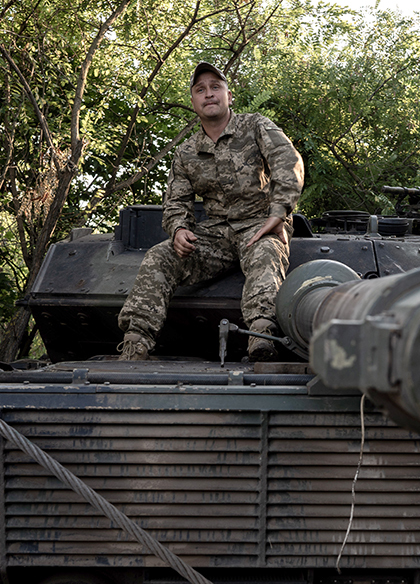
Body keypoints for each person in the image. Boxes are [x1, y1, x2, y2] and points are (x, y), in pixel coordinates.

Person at [116, 61, 305, 362]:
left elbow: (288, 162)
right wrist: (178, 229)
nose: (209, 94)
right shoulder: (186, 152)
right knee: (160, 256)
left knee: (266, 254)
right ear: (193, 102)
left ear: (229, 96)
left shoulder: (256, 126)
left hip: (259, 225)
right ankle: (135, 343)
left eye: (216, 87)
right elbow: (176, 201)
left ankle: (261, 337)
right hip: (215, 234)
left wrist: (279, 212)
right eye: (200, 90)